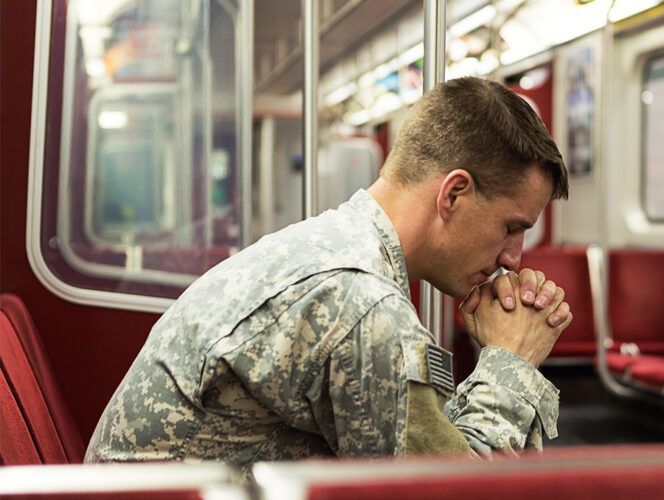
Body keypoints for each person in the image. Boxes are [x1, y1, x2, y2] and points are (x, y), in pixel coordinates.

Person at [85, 77, 572, 479]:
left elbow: (425, 451)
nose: (514, 257)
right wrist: (512, 361)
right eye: (512, 227)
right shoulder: (358, 303)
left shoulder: (334, 248)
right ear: (453, 194)